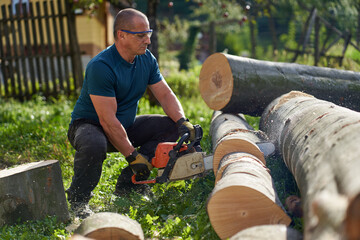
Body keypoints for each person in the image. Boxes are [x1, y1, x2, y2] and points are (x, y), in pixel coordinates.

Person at [65, 8, 201, 218]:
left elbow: (165, 94)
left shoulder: (146, 59)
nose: (147, 41)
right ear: (121, 35)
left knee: (170, 127)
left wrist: (183, 122)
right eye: (141, 35)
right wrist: (132, 155)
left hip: (124, 126)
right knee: (94, 144)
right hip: (89, 127)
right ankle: (78, 200)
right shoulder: (101, 67)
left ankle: (129, 184)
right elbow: (107, 121)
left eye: (149, 34)